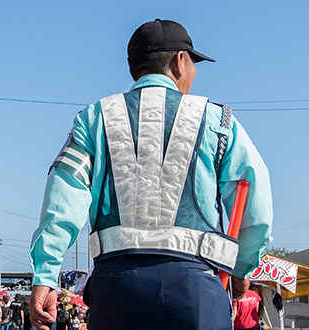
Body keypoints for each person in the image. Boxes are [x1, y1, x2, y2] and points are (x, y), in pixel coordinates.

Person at [29, 18, 273, 330]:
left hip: (115, 288)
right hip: (196, 289)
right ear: (180, 61)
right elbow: (254, 198)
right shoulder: (217, 120)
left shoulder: (94, 118)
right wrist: (242, 267)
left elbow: (63, 196)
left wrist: (46, 275)